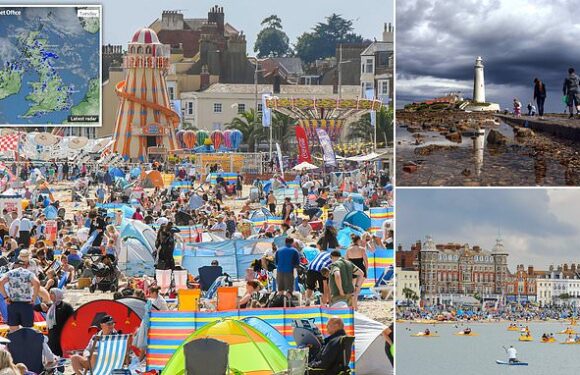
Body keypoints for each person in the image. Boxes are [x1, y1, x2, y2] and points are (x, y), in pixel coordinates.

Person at [0, 260, 40, 332]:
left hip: (13, 303)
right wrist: (34, 297)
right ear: (25, 265)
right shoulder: (29, 273)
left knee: (13, 330)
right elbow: (37, 283)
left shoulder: (10, 273)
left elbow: (1, 282)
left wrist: (5, 297)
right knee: (27, 329)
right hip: (26, 304)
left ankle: (15, 342)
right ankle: (27, 342)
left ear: (15, 265)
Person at [39, 288, 74, 357]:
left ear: (58, 294)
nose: (50, 295)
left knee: (61, 353)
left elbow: (73, 319)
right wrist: (41, 305)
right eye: (50, 293)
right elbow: (37, 308)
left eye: (52, 293)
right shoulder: (50, 306)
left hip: (63, 332)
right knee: (53, 352)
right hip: (52, 333)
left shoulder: (66, 306)